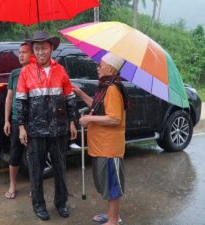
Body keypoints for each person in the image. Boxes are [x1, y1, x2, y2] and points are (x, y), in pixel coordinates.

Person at [16, 30, 77, 221]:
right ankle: (38, 205)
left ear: (51, 48)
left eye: (43, 48)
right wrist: (21, 127)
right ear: (33, 51)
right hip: (35, 131)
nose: (40, 52)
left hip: (59, 129)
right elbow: (21, 102)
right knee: (36, 171)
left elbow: (70, 97)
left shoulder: (61, 70)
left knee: (60, 169)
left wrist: (72, 122)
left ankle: (61, 203)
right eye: (37, 49)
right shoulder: (26, 72)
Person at [73, 52, 128, 225]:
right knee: (106, 183)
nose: (97, 68)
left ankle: (113, 219)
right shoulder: (106, 87)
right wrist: (81, 93)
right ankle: (110, 214)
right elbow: (98, 107)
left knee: (112, 184)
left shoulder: (112, 89)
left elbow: (114, 118)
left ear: (111, 68)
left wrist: (89, 119)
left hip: (109, 148)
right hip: (101, 147)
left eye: (100, 65)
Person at [3, 43, 33, 199]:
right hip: (16, 119)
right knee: (15, 154)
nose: (21, 55)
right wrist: (6, 120)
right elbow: (9, 97)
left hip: (33, 120)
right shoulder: (14, 74)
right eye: (19, 52)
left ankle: (33, 186)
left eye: (24, 52)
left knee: (33, 154)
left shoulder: (37, 71)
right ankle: (12, 185)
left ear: (32, 54)